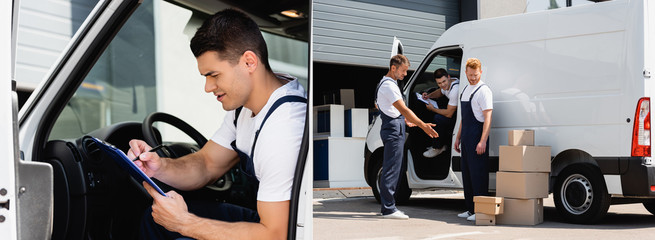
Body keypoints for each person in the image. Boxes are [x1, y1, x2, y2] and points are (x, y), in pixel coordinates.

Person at [127, 9, 307, 239]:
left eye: (214, 75)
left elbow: (275, 234)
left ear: (249, 62)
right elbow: (207, 163)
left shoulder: (283, 130)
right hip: (268, 222)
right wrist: (159, 166)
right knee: (155, 222)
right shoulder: (246, 106)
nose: (208, 87)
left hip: (279, 231)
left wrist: (184, 223)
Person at [375, 54, 439, 219]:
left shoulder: (389, 84)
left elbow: (391, 109)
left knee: (396, 168)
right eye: (403, 71)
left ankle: (389, 206)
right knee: (391, 169)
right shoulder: (388, 85)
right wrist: (422, 125)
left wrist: (404, 121)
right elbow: (404, 109)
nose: (405, 74)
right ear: (393, 68)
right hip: (393, 128)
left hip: (395, 125)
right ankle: (388, 209)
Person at [453, 58, 493, 221]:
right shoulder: (466, 89)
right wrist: (458, 137)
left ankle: (480, 210)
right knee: (468, 175)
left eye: (475, 75)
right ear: (466, 73)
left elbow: (488, 118)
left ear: (481, 72)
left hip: (477, 138)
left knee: (479, 175)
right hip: (466, 138)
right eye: (470, 75)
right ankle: (470, 209)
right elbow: (464, 118)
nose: (473, 78)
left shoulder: (484, 91)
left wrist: (482, 141)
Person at [421, 68, 459, 158]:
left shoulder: (455, 90)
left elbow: (449, 114)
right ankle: (436, 142)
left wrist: (433, 108)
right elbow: (441, 92)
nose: (442, 85)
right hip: (453, 111)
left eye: (444, 81)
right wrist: (428, 96)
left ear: (448, 77)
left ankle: (438, 148)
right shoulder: (447, 84)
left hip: (458, 118)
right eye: (439, 83)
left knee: (438, 118)